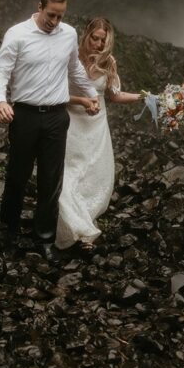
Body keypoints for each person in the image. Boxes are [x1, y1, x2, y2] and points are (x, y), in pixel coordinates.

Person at [0, 0, 99, 252]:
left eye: (60, 16)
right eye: (51, 15)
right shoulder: (17, 34)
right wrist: (0, 101)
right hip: (24, 114)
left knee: (51, 180)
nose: (55, 22)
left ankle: (45, 239)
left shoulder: (69, 34)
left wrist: (92, 94)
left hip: (56, 116)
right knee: (18, 175)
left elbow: (75, 69)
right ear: (40, 7)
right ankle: (9, 231)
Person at [56, 17, 141, 250]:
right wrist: (82, 101)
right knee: (69, 174)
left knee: (94, 176)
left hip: (97, 126)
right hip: (72, 122)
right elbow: (57, 92)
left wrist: (143, 97)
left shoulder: (109, 62)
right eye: (95, 38)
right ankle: (78, 227)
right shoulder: (71, 57)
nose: (99, 44)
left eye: (104, 40)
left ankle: (83, 222)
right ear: (86, 35)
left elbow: (114, 95)